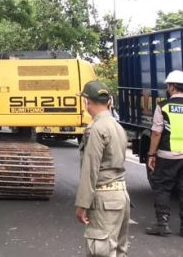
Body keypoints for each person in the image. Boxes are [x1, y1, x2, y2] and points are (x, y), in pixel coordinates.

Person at [74, 80, 130, 257]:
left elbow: (90, 169)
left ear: (86, 102)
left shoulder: (96, 129)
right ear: (109, 102)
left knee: (101, 251)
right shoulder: (117, 126)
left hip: (104, 200)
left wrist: (82, 204)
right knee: (119, 251)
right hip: (121, 197)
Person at [145, 70, 183, 236]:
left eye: (168, 85)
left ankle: (162, 223)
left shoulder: (163, 106)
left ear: (172, 87)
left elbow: (156, 133)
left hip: (167, 155)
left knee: (162, 187)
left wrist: (151, 155)